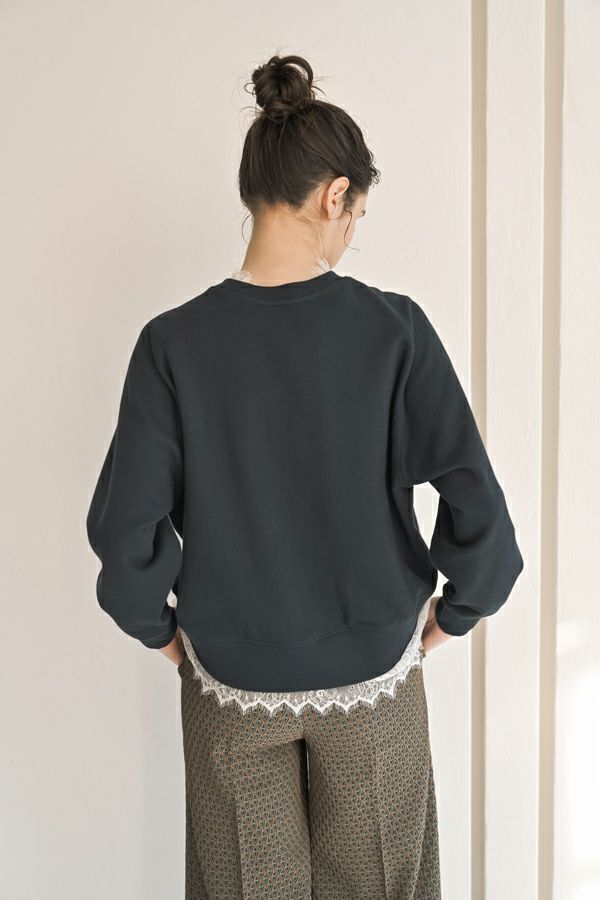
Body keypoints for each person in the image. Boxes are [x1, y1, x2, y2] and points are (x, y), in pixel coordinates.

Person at [85, 52, 524, 899]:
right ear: (335, 197)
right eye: (356, 214)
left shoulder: (172, 345)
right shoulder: (393, 331)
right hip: (375, 681)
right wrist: (455, 612)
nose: (351, 231)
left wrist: (163, 632)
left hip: (228, 684)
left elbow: (124, 528)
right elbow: (476, 499)